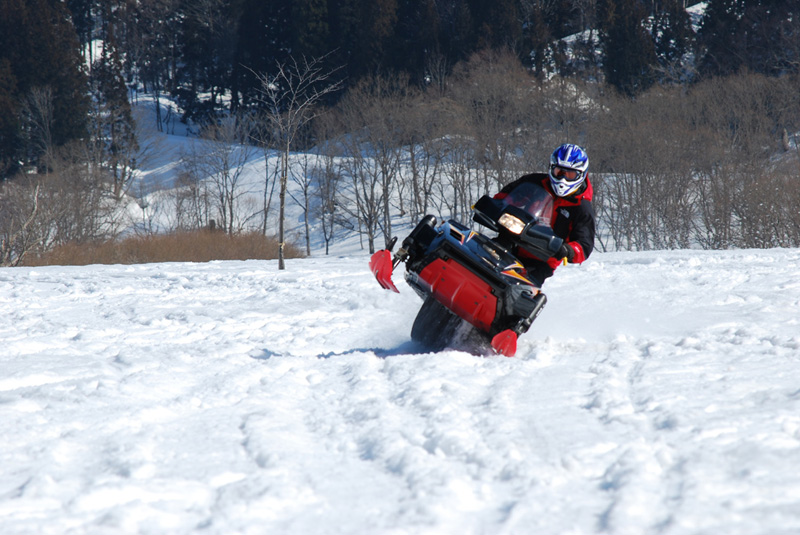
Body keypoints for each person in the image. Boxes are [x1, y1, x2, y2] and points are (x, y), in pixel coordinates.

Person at [493, 143, 596, 286]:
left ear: (582, 175)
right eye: (559, 172)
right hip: (511, 240)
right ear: (551, 168)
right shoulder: (535, 183)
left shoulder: (582, 208)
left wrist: (568, 250)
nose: (563, 179)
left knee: (517, 289)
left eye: (570, 175)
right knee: (476, 256)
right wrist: (495, 206)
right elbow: (505, 197)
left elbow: (584, 245)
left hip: (541, 259)